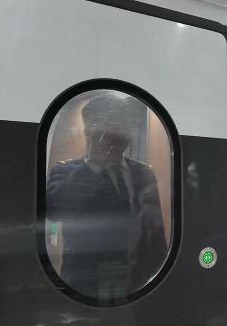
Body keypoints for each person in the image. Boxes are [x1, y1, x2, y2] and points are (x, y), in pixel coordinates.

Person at [46, 93, 168, 303]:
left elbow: (155, 234)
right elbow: (53, 212)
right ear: (89, 131)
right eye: (109, 125)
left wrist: (162, 279)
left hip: (139, 284)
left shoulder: (143, 173)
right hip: (84, 286)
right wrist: (94, 165)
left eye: (123, 123)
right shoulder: (65, 173)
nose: (118, 132)